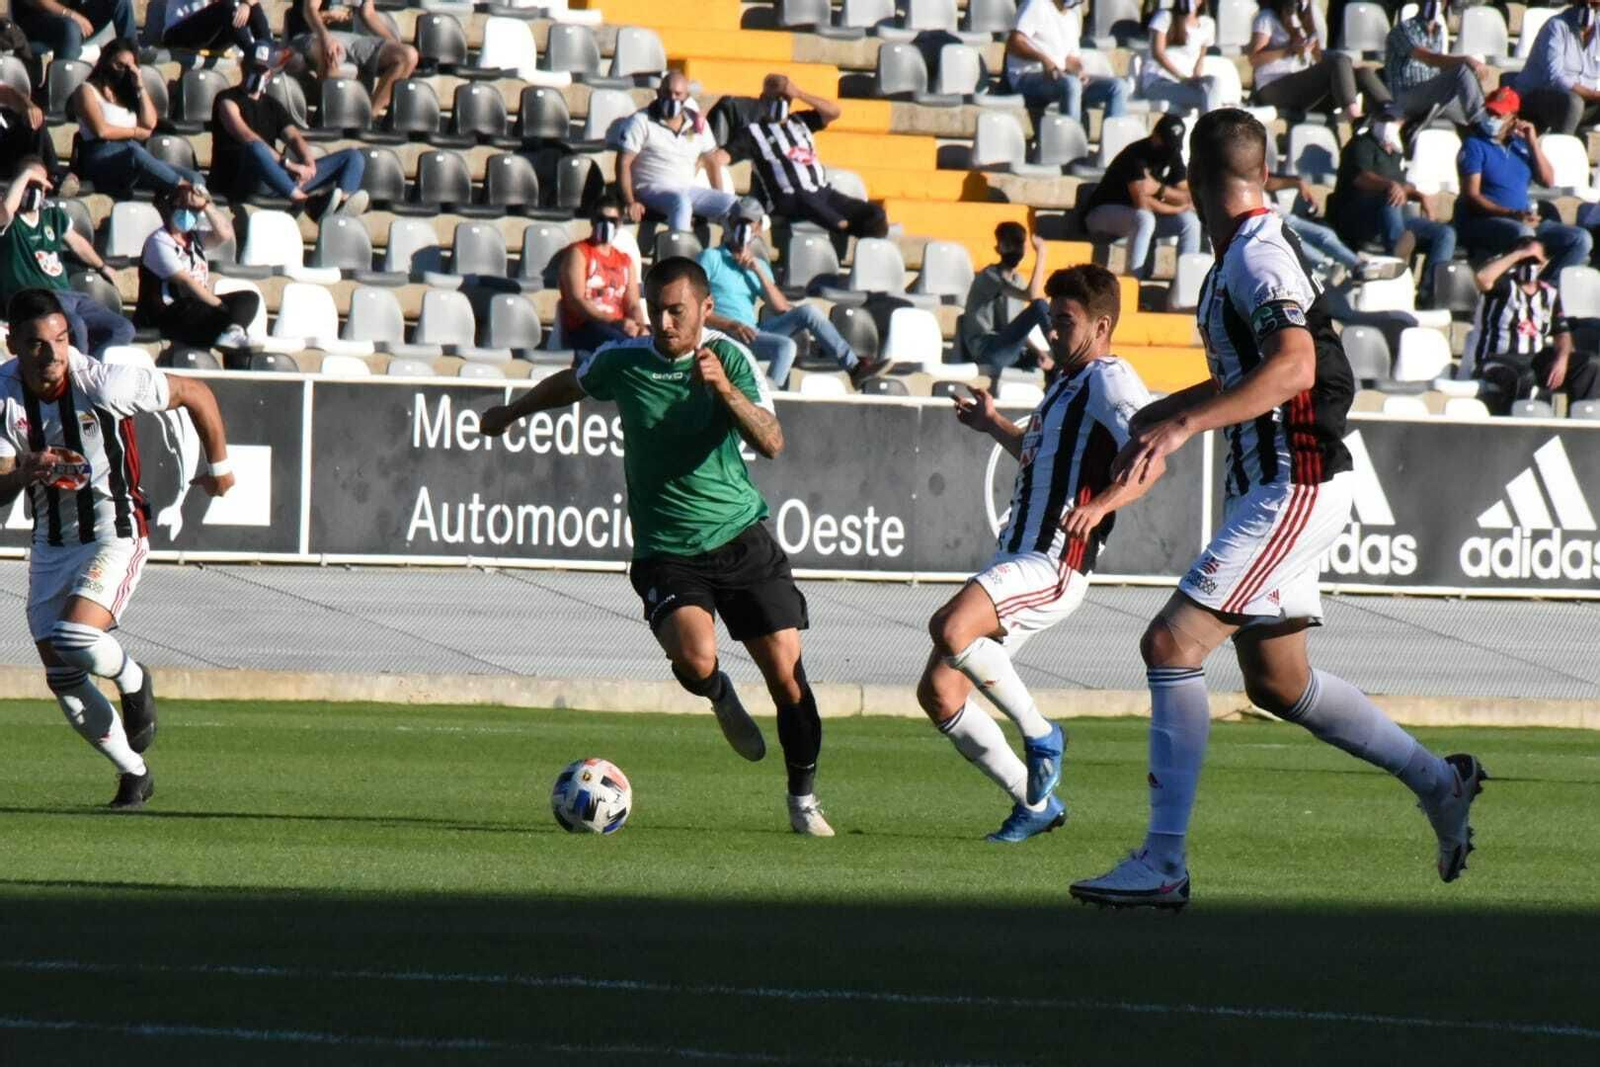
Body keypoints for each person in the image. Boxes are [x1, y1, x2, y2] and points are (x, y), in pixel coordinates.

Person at [1069, 109, 1486, 910]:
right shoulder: (1246, 253)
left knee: (1171, 641)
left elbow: (1295, 366)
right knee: (1277, 679)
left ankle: (1163, 861)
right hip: (1282, 479)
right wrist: (1167, 415)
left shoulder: (1257, 254)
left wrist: (1186, 424)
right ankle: (1442, 781)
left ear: (1193, 181)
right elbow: (1254, 370)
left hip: (1294, 481)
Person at [479, 257, 833, 837]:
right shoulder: (625, 361)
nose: (665, 322)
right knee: (695, 660)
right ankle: (719, 695)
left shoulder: (732, 359)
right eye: (656, 308)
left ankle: (802, 798)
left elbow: (771, 441)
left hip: (741, 536)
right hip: (666, 547)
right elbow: (573, 383)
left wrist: (725, 392)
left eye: (677, 311)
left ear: (704, 309)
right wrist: (512, 413)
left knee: (787, 676)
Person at [918, 264, 1154, 844]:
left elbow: (1149, 455)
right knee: (940, 691)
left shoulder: (1110, 378)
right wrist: (996, 424)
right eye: (1050, 321)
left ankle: (1042, 733)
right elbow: (1046, 454)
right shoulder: (1068, 385)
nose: (1052, 333)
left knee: (950, 627)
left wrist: (1100, 508)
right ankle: (1035, 801)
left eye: (1064, 322)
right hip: (1015, 557)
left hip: (1054, 561)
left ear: (1100, 326)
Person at [0, 286, 235, 808]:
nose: (53, 354)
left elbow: (195, 392)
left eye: (60, 340)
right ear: (12, 342)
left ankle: (133, 679)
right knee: (61, 673)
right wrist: (22, 472)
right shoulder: (3, 395)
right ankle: (134, 773)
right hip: (51, 543)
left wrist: (219, 469)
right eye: (38, 344)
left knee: (74, 635)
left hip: (116, 531)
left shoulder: (104, 382)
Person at [698, 197, 886, 391]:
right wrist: (730, 324)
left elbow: (779, 307)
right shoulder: (711, 257)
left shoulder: (759, 265)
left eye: (750, 223)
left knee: (809, 312)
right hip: (724, 333)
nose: (744, 228)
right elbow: (695, 309)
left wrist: (757, 271)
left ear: (758, 228)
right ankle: (769, 398)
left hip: (751, 333)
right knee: (785, 346)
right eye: (740, 222)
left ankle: (854, 368)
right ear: (730, 222)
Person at [711, 74, 887, 240]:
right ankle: (841, 225)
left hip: (822, 191)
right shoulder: (752, 133)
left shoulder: (801, 121)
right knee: (806, 199)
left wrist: (799, 93)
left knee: (875, 215)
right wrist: (723, 202)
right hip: (788, 198)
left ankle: (856, 232)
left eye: (785, 98)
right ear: (763, 99)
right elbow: (716, 160)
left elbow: (834, 112)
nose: (781, 103)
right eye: (775, 99)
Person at [210, 44, 369, 218]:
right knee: (255, 147)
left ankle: (340, 209)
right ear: (243, 66)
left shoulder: (272, 104)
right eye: (252, 67)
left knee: (353, 157)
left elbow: (293, 137)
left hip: (275, 178)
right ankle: (306, 203)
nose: (255, 73)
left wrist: (309, 164)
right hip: (240, 178)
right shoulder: (227, 99)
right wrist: (289, 165)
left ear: (270, 72)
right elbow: (247, 136)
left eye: (262, 69)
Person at [0, 157, 133, 358]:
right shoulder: (9, 220)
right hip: (36, 298)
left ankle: (90, 370)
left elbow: (78, 243)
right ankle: (74, 382)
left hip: (69, 295)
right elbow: (5, 213)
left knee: (123, 328)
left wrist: (102, 266)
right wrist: (26, 176)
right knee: (76, 327)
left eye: (42, 184)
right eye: (32, 184)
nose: (38, 190)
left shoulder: (52, 215)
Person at [1454, 86, 1592, 274]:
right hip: (1485, 221)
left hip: (1521, 220)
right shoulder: (1474, 145)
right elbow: (1472, 196)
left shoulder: (1521, 146)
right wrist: (1511, 214)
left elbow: (1548, 181)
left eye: (1499, 114)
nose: (1492, 118)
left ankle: (1547, 287)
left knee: (1580, 238)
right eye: (1490, 112)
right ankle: (1517, 287)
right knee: (1523, 234)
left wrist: (1532, 142)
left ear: (1514, 118)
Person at [1326, 103, 1458, 296]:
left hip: (1392, 217)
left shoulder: (1396, 153)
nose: (1387, 124)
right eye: (1383, 119)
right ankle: (1398, 251)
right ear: (1375, 120)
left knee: (1445, 233)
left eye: (1392, 120)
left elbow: (1401, 186)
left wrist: (1418, 194)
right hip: (1358, 216)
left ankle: (1431, 290)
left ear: (1401, 122)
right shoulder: (1360, 144)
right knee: (1389, 199)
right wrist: (1389, 186)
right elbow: (1360, 178)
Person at [1465, 238, 1599, 413]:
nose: (1530, 265)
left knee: (1590, 364)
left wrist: (1562, 359)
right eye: (1525, 260)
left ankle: (1581, 420)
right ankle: (1517, 425)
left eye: (1535, 260)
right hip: (1497, 358)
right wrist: (1519, 254)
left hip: (1534, 358)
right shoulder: (1503, 286)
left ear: (1544, 263)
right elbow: (1482, 278)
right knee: (1523, 376)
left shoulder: (1549, 294)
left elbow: (1562, 333)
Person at [71, 39, 205, 199]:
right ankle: (182, 187)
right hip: (100, 155)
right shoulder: (86, 90)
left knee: (196, 178)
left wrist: (139, 86)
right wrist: (134, 132)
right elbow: (101, 130)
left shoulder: (127, 93)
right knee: (135, 153)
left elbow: (150, 123)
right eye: (119, 65)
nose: (123, 71)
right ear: (106, 62)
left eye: (129, 67)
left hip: (133, 157)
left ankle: (186, 205)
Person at [1081, 114, 1202, 281]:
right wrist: (1176, 205)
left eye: (1173, 145)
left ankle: (1187, 286)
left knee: (1190, 222)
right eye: (1166, 143)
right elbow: (1142, 202)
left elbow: (1188, 196)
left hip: (1134, 217)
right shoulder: (1136, 155)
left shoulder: (1172, 154)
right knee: (1145, 218)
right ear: (1155, 136)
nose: (1169, 150)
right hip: (1101, 213)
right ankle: (1133, 282)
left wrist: (1159, 189)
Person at [136, 184, 256, 350]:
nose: (187, 213)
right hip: (167, 312)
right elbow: (186, 283)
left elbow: (225, 234)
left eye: (192, 209)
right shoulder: (159, 241)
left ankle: (233, 331)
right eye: (182, 207)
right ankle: (228, 329)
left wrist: (205, 205)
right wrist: (221, 307)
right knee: (209, 311)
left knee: (248, 298)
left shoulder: (196, 237)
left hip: (197, 304)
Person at [617, 74, 737, 235]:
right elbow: (623, 162)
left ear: (686, 97)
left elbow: (711, 161)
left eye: (678, 94)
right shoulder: (641, 120)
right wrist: (630, 201)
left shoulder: (697, 123)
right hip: (650, 189)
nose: (672, 98)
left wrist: (719, 196)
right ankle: (679, 256)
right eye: (667, 92)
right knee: (681, 203)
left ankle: (733, 253)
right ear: (659, 92)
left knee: (734, 205)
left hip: (686, 188)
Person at [1248, 0, 1389, 117]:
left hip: (1303, 85)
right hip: (1274, 87)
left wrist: (1310, 48)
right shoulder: (1266, 18)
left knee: (1362, 73)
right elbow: (1254, 59)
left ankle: (1390, 115)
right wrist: (1289, 50)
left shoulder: (1305, 17)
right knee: (1337, 60)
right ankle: (1353, 116)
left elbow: (1316, 56)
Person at [1004, 0, 1130, 125]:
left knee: (1118, 87)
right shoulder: (1036, 4)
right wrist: (1044, 60)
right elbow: (1014, 43)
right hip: (1026, 77)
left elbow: (1071, 59)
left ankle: (1112, 141)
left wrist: (1079, 71)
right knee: (1071, 84)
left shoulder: (1071, 18)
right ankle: (1071, 141)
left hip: (1060, 78)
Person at [286, 0, 419, 118]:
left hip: (350, 38)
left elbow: (368, 14)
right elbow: (309, 10)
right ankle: (330, 116)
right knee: (333, 52)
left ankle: (369, 116)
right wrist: (326, 38)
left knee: (407, 55)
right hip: (312, 34)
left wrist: (393, 41)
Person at [962, 222, 1054, 389]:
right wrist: (1041, 254)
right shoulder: (989, 276)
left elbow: (1016, 331)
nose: (1013, 250)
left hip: (1009, 350)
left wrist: (1040, 353)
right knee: (1040, 304)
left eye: (1018, 245)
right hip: (987, 350)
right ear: (998, 248)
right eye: (1008, 244)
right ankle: (1054, 337)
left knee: (1054, 362)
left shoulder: (1017, 281)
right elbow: (1033, 297)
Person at [556, 196, 648, 355]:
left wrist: (640, 326)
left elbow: (632, 303)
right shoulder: (579, 253)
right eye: (601, 218)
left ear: (619, 223)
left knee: (653, 343)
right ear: (592, 221)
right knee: (625, 346)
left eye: (612, 220)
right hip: (585, 327)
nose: (606, 224)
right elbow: (576, 301)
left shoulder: (625, 260)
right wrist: (615, 322)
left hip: (619, 326)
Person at [1382, 0, 1488, 127]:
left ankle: (1483, 131)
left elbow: (1439, 67)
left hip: (1430, 95)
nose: (1434, 3)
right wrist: (1466, 60)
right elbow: (1430, 59)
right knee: (1463, 70)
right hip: (1405, 97)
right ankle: (1480, 125)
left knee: (1466, 108)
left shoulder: (1438, 33)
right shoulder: (1402, 30)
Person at [1512, 0, 1600, 135]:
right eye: (1584, 3)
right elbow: (1555, 78)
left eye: (1594, 5)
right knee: (1574, 103)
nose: (1589, 10)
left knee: (1576, 103)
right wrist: (1592, 94)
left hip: (1583, 99)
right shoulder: (1557, 26)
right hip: (1537, 97)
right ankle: (1562, 149)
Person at [1141, 0, 1222, 115]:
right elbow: (1158, 53)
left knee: (1214, 82)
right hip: (1159, 82)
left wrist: (1195, 79)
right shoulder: (1165, 16)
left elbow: (1200, 60)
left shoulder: (1207, 24)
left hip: (1186, 82)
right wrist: (1182, 78)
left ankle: (1212, 126)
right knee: (1207, 97)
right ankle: (1211, 130)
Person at [11, 0, 135, 62]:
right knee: (71, 28)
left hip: (71, 18)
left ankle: (131, 62)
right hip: (34, 20)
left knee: (121, 2)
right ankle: (64, 94)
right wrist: (70, 14)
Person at [160, 0, 270, 53]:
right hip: (178, 34)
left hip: (209, 37)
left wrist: (246, 4)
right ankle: (253, 55)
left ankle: (269, 52)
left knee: (252, 6)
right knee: (226, 7)